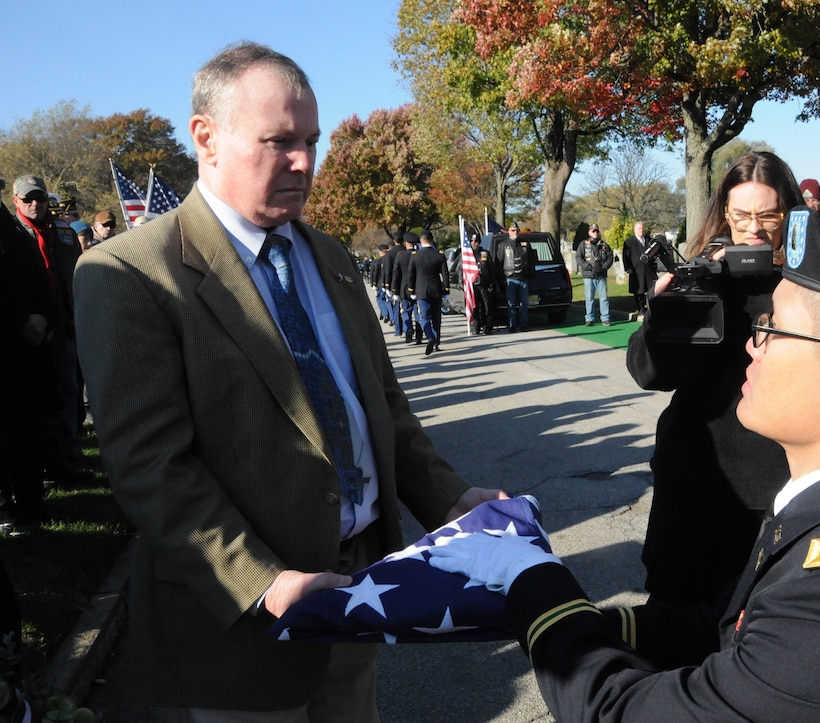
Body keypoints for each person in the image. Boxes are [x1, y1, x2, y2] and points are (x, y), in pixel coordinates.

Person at [73, 42, 505, 721]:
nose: (305, 162)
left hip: (359, 597)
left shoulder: (327, 254)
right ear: (205, 138)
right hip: (238, 638)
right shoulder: (132, 274)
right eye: (278, 141)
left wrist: (451, 497)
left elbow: (383, 410)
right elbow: (150, 466)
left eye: (311, 139)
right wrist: (262, 582)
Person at [429, 210, 820, 721]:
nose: (752, 346)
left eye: (772, 329)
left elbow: (621, 712)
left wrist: (529, 578)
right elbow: (723, 628)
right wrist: (570, 616)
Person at [626, 152, 799, 605]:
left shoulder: (807, 285)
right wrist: (660, 317)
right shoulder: (699, 273)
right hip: (693, 479)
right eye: (741, 215)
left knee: (759, 629)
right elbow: (650, 374)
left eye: (768, 215)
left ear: (790, 213)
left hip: (774, 486)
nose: (754, 228)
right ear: (724, 212)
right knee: (674, 619)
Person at [11, 175, 85, 490]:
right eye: (27, 198)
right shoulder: (11, 235)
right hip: (27, 329)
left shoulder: (64, 234)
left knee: (68, 393)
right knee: (36, 398)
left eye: (39, 198)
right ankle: (41, 461)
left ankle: (69, 454)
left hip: (64, 324)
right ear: (15, 199)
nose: (34, 204)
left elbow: (75, 276)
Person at [0, 185, 53, 535]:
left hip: (19, 345)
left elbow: (40, 279)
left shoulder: (13, 231)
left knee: (24, 428)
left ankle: (31, 505)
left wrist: (41, 314)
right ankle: (4, 507)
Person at [407, 230, 449, 356]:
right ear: (432, 240)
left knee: (424, 317)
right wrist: (446, 290)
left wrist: (411, 290)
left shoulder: (415, 256)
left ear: (421, 241)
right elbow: (445, 274)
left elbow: (411, 275)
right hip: (436, 289)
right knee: (437, 317)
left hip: (421, 290)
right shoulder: (439, 255)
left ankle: (430, 336)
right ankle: (436, 343)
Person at [494, 222, 535, 332]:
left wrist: (531, 275)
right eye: (512, 230)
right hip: (510, 279)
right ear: (509, 232)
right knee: (511, 304)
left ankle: (523, 325)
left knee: (524, 304)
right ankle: (512, 325)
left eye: (516, 230)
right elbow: (498, 264)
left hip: (524, 279)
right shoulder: (503, 245)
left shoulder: (525, 244)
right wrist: (501, 279)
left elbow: (531, 261)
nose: (515, 232)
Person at [578, 223, 613, 326]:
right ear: (589, 232)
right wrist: (588, 267)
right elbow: (579, 258)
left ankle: (605, 318)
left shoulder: (604, 245)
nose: (595, 233)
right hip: (589, 275)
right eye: (593, 231)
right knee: (589, 298)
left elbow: (610, 257)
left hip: (601, 275)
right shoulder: (583, 244)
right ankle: (589, 318)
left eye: (597, 231)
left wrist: (604, 267)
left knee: (604, 298)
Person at [392, 231, 422, 344]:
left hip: (404, 289)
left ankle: (408, 330)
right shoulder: (419, 255)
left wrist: (394, 290)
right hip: (418, 287)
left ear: (405, 243)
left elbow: (396, 275)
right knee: (418, 313)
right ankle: (419, 336)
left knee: (405, 312)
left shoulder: (400, 257)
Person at [622, 221, 655, 319]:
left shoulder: (649, 240)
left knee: (651, 289)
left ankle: (651, 307)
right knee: (638, 290)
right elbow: (626, 256)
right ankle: (641, 309)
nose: (641, 230)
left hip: (649, 270)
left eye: (642, 228)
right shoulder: (629, 242)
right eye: (639, 228)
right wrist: (628, 268)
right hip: (636, 270)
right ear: (635, 230)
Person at [469, 233, 496, 335]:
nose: (473, 243)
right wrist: (462, 284)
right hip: (473, 285)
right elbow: (460, 271)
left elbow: (492, 270)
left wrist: (492, 284)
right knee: (475, 307)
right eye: (472, 241)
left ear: (479, 242)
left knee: (487, 307)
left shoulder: (485, 253)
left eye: (475, 241)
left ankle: (488, 326)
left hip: (484, 285)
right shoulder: (467, 255)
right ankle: (475, 326)